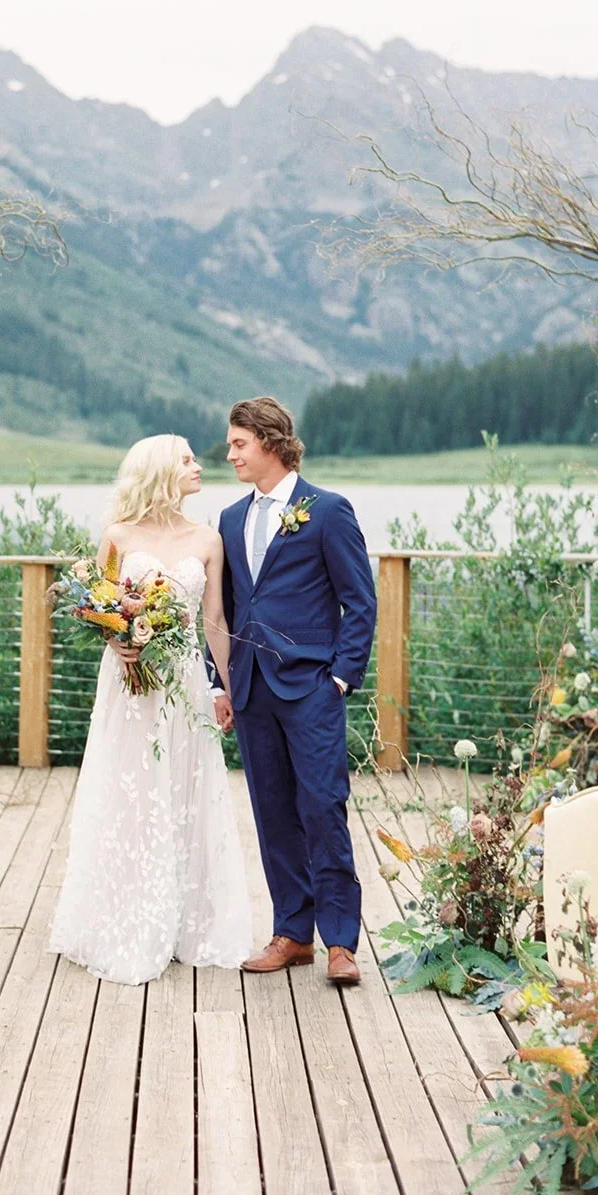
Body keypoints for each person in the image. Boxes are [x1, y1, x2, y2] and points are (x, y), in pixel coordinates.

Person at [49, 434, 252, 984]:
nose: (199, 465)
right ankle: (124, 917)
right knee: (131, 791)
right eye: (187, 459)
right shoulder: (117, 536)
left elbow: (216, 624)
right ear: (161, 470)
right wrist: (119, 640)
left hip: (184, 683)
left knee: (186, 789)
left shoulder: (208, 540)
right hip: (131, 684)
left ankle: (189, 920)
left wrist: (226, 689)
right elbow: (100, 607)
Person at [208, 396, 376, 985]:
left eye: (238, 444)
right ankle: (291, 933)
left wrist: (339, 677)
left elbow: (360, 601)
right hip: (251, 689)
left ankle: (340, 943)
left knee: (323, 806)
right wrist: (219, 682)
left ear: (271, 443)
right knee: (272, 812)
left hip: (311, 689)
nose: (229, 454)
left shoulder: (327, 511)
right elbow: (225, 609)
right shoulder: (230, 519)